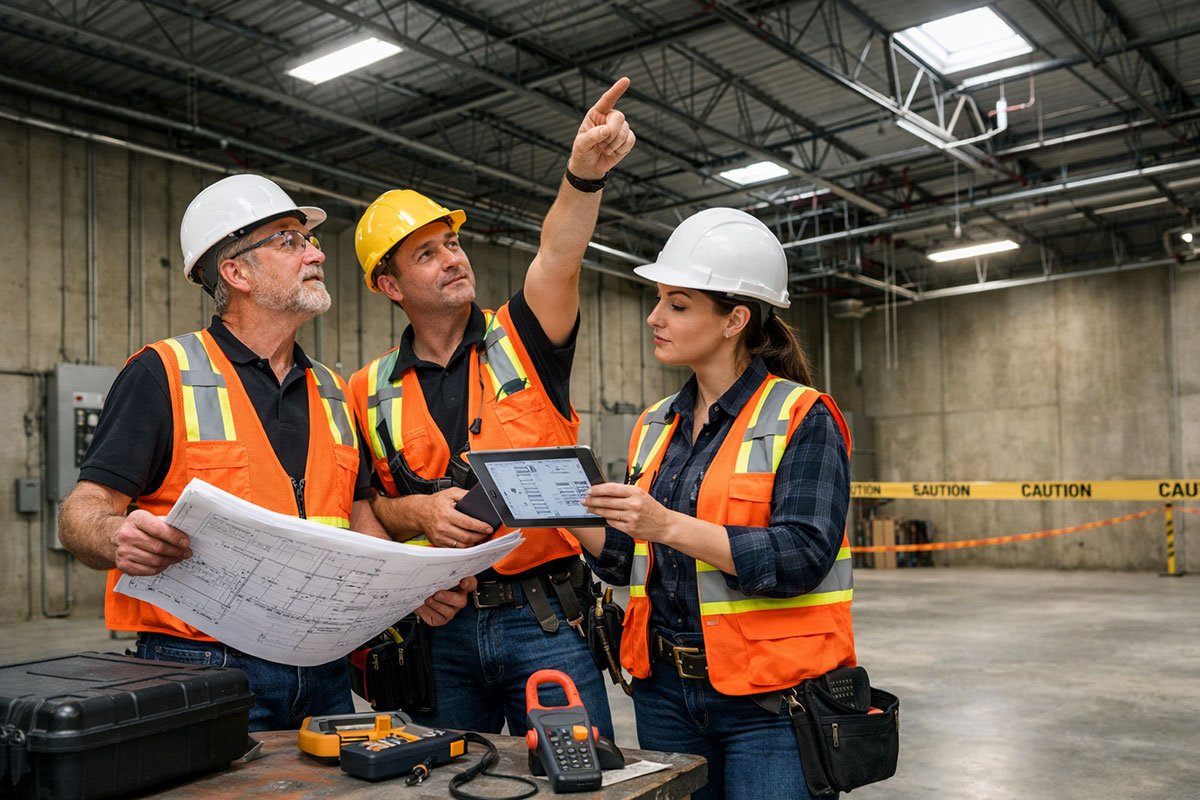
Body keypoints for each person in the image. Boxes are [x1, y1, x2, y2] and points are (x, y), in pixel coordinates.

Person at [58, 174, 472, 732]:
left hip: (324, 668)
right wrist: (116, 536)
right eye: (289, 240)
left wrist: (408, 591)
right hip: (204, 666)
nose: (315, 252)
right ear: (236, 272)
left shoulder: (330, 389)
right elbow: (81, 511)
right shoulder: (163, 373)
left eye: (309, 239)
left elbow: (354, 515)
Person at [348, 78, 636, 738]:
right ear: (390, 286)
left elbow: (558, 256)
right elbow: (365, 510)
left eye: (452, 243)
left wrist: (583, 177)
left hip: (545, 621)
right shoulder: (365, 390)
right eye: (428, 253)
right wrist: (416, 525)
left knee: (577, 783)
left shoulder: (524, 338)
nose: (453, 258)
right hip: (438, 631)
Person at [571, 208, 855, 800]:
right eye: (658, 300)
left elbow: (801, 555)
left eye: (678, 304)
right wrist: (569, 515)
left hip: (771, 700)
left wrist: (667, 524)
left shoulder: (803, 416)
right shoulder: (654, 425)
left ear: (735, 319)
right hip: (665, 693)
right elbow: (629, 561)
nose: (655, 318)